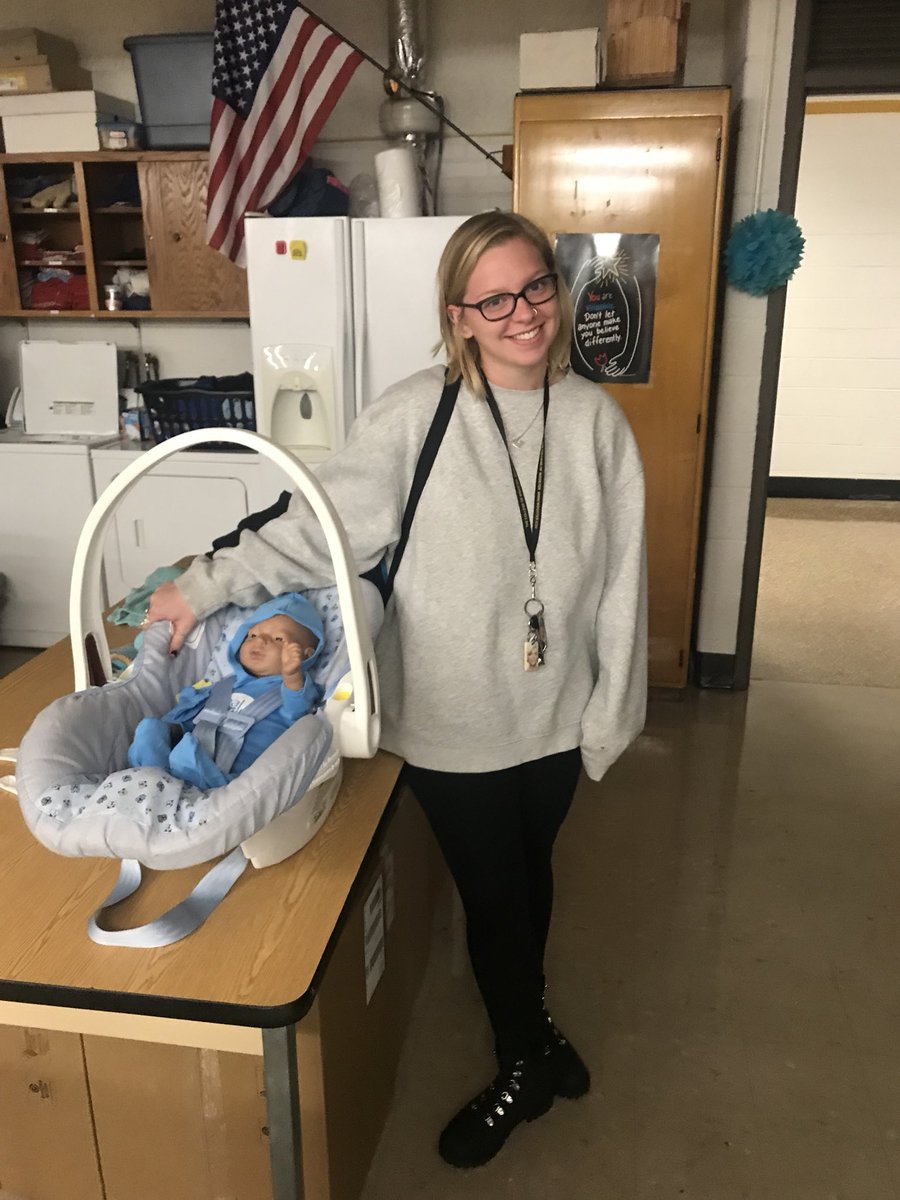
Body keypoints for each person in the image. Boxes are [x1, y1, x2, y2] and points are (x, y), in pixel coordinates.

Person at [144, 211, 647, 1168]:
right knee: (494, 898)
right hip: (454, 723)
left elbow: (624, 580)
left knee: (530, 876)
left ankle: (534, 1029)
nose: (522, 313)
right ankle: (525, 1064)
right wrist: (202, 586)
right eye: (493, 300)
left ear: (557, 287)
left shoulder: (596, 423)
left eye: (535, 287)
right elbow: (317, 530)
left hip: (555, 716)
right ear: (457, 315)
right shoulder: (416, 415)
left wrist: (612, 710)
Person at [129, 592, 324, 789]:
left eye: (278, 639)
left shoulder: (292, 689)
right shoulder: (222, 685)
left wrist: (292, 673)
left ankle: (172, 780)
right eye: (253, 635)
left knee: (185, 754)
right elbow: (192, 715)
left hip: (227, 779)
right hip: (185, 752)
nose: (261, 641)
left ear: (306, 654)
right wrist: (173, 729)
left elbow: (298, 705)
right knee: (150, 728)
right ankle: (150, 780)